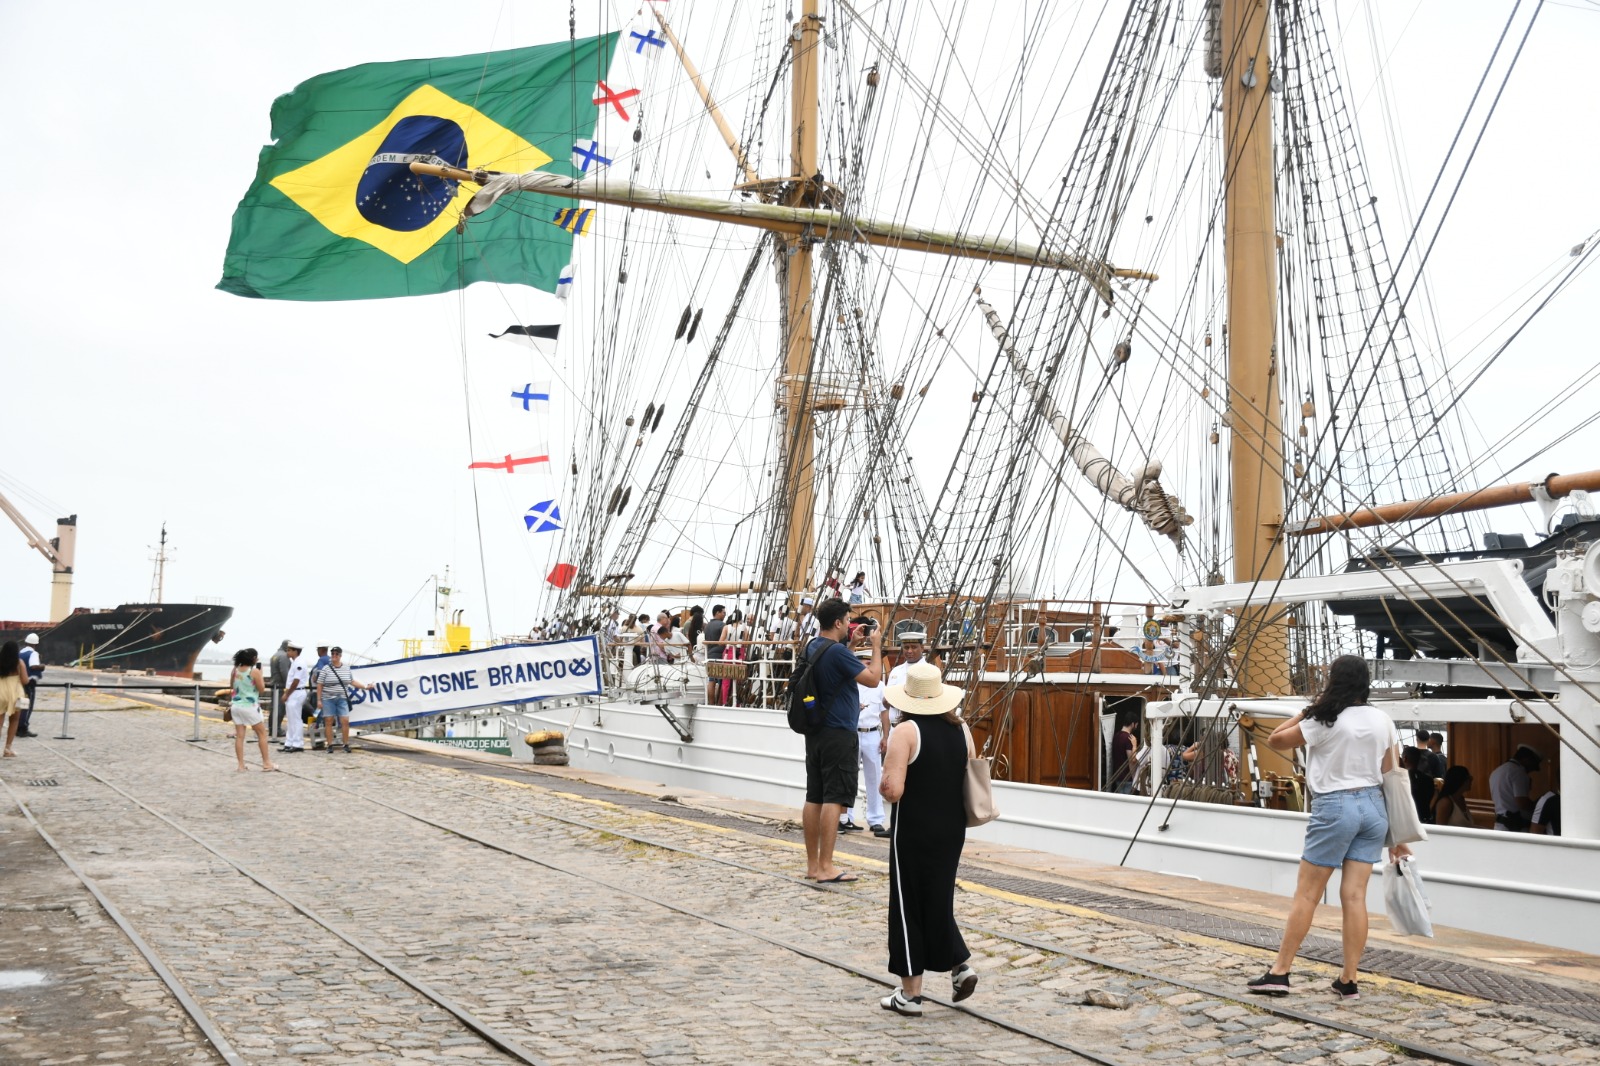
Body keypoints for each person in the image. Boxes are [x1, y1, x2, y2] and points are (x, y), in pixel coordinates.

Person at [1246, 655, 1409, 1001]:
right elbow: (1391, 774)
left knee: (1307, 893)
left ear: (1334, 681)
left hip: (1336, 806)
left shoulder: (1325, 719)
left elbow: (1276, 739)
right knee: (1355, 897)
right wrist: (1400, 836)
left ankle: (1279, 973)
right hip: (1374, 808)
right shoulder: (1383, 720)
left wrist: (1308, 710)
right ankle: (1348, 980)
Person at [877, 661, 979, 1016]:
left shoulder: (906, 732)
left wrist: (884, 774)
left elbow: (893, 791)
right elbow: (967, 770)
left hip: (915, 829)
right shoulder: (962, 729)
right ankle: (959, 965)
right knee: (937, 896)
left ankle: (910, 994)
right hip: (952, 829)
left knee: (907, 906)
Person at [801, 598, 882, 884]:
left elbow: (833, 670)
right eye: (848, 620)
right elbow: (873, 679)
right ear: (838, 622)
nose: (851, 625)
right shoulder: (837, 652)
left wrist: (851, 646)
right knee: (834, 798)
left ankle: (813, 865)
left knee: (815, 796)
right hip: (839, 733)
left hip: (817, 732)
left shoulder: (814, 645)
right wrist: (875, 645)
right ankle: (826, 866)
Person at [843, 622, 891, 837]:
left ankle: (876, 819)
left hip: (872, 733)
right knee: (849, 776)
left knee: (874, 777)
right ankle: (846, 817)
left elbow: (884, 712)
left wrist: (886, 736)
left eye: (868, 660)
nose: (865, 664)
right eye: (862, 660)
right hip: (853, 732)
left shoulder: (879, 685)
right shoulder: (850, 682)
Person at [316, 646, 371, 753]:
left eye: (336, 654)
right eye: (332, 654)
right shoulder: (326, 669)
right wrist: (319, 700)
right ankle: (330, 745)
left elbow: (352, 681)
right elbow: (320, 684)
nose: (334, 656)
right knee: (328, 721)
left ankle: (345, 744)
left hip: (342, 698)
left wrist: (364, 687)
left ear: (340, 656)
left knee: (345, 721)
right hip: (328, 698)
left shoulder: (346, 668)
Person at [229, 648, 276, 772]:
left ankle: (240, 765)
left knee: (240, 736)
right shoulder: (254, 671)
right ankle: (266, 763)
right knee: (262, 734)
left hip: (236, 706)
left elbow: (231, 686)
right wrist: (260, 674)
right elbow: (261, 689)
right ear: (253, 659)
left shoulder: (235, 671)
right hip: (250, 706)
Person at [1489, 745, 1542, 831]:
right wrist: (1539, 804)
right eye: (1532, 766)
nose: (1530, 771)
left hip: (1500, 825)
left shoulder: (1497, 771)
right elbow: (1522, 803)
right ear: (1527, 759)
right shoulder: (1519, 773)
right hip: (1514, 827)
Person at [279, 641, 309, 753]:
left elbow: (296, 681)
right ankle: (289, 742)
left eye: (289, 650)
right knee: (291, 719)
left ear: (295, 651)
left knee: (295, 719)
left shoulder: (299, 663)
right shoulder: (295, 662)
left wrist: (287, 694)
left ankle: (297, 743)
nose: (287, 652)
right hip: (294, 692)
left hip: (296, 692)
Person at [1, 641, 27, 757]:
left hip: (0, 692)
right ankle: (8, 748)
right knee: (14, 720)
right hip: (15, 693)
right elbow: (25, 680)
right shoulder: (19, 663)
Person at [17, 633, 42, 738]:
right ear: (36, 644)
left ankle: (17, 726)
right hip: (29, 683)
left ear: (25, 642)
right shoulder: (33, 653)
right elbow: (34, 666)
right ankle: (23, 728)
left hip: (18, 682)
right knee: (27, 706)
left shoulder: (20, 653)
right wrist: (42, 666)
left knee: (20, 705)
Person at [1402, 746, 1435, 823]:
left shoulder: (1400, 779)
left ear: (1405, 758)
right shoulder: (1428, 780)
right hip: (1424, 819)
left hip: (1405, 819)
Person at [1108, 717, 1139, 794]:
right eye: (1136, 725)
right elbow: (1132, 760)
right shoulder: (1129, 738)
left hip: (1117, 777)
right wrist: (1134, 745)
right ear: (1132, 724)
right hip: (1127, 778)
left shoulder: (1115, 736)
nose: (1137, 727)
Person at [308, 644, 331, 749]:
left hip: (317, 692)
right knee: (318, 712)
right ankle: (319, 730)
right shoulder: (329, 660)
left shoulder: (322, 660)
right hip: (322, 692)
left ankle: (318, 732)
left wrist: (316, 678)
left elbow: (319, 674)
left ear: (321, 650)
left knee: (318, 712)